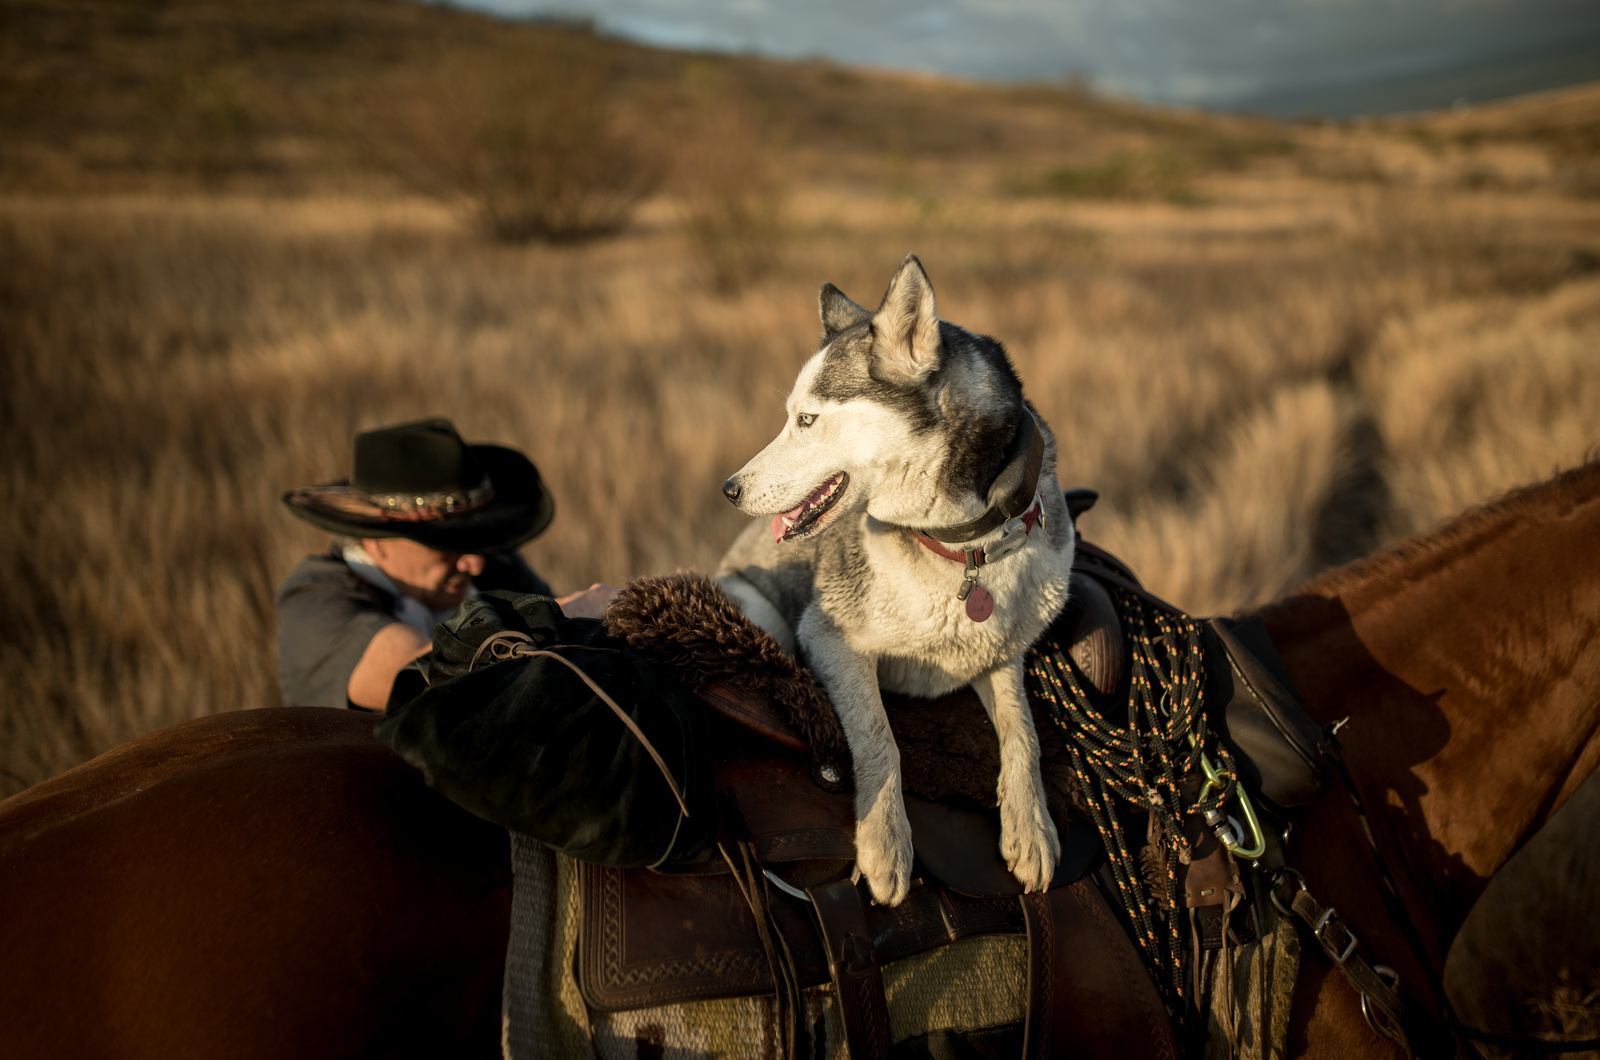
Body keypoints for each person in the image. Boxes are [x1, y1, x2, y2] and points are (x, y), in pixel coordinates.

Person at [275, 417, 614, 711]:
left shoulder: (497, 566)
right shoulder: (315, 599)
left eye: (477, 541)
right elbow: (414, 673)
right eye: (447, 545)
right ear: (376, 540)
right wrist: (561, 615)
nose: (474, 564)